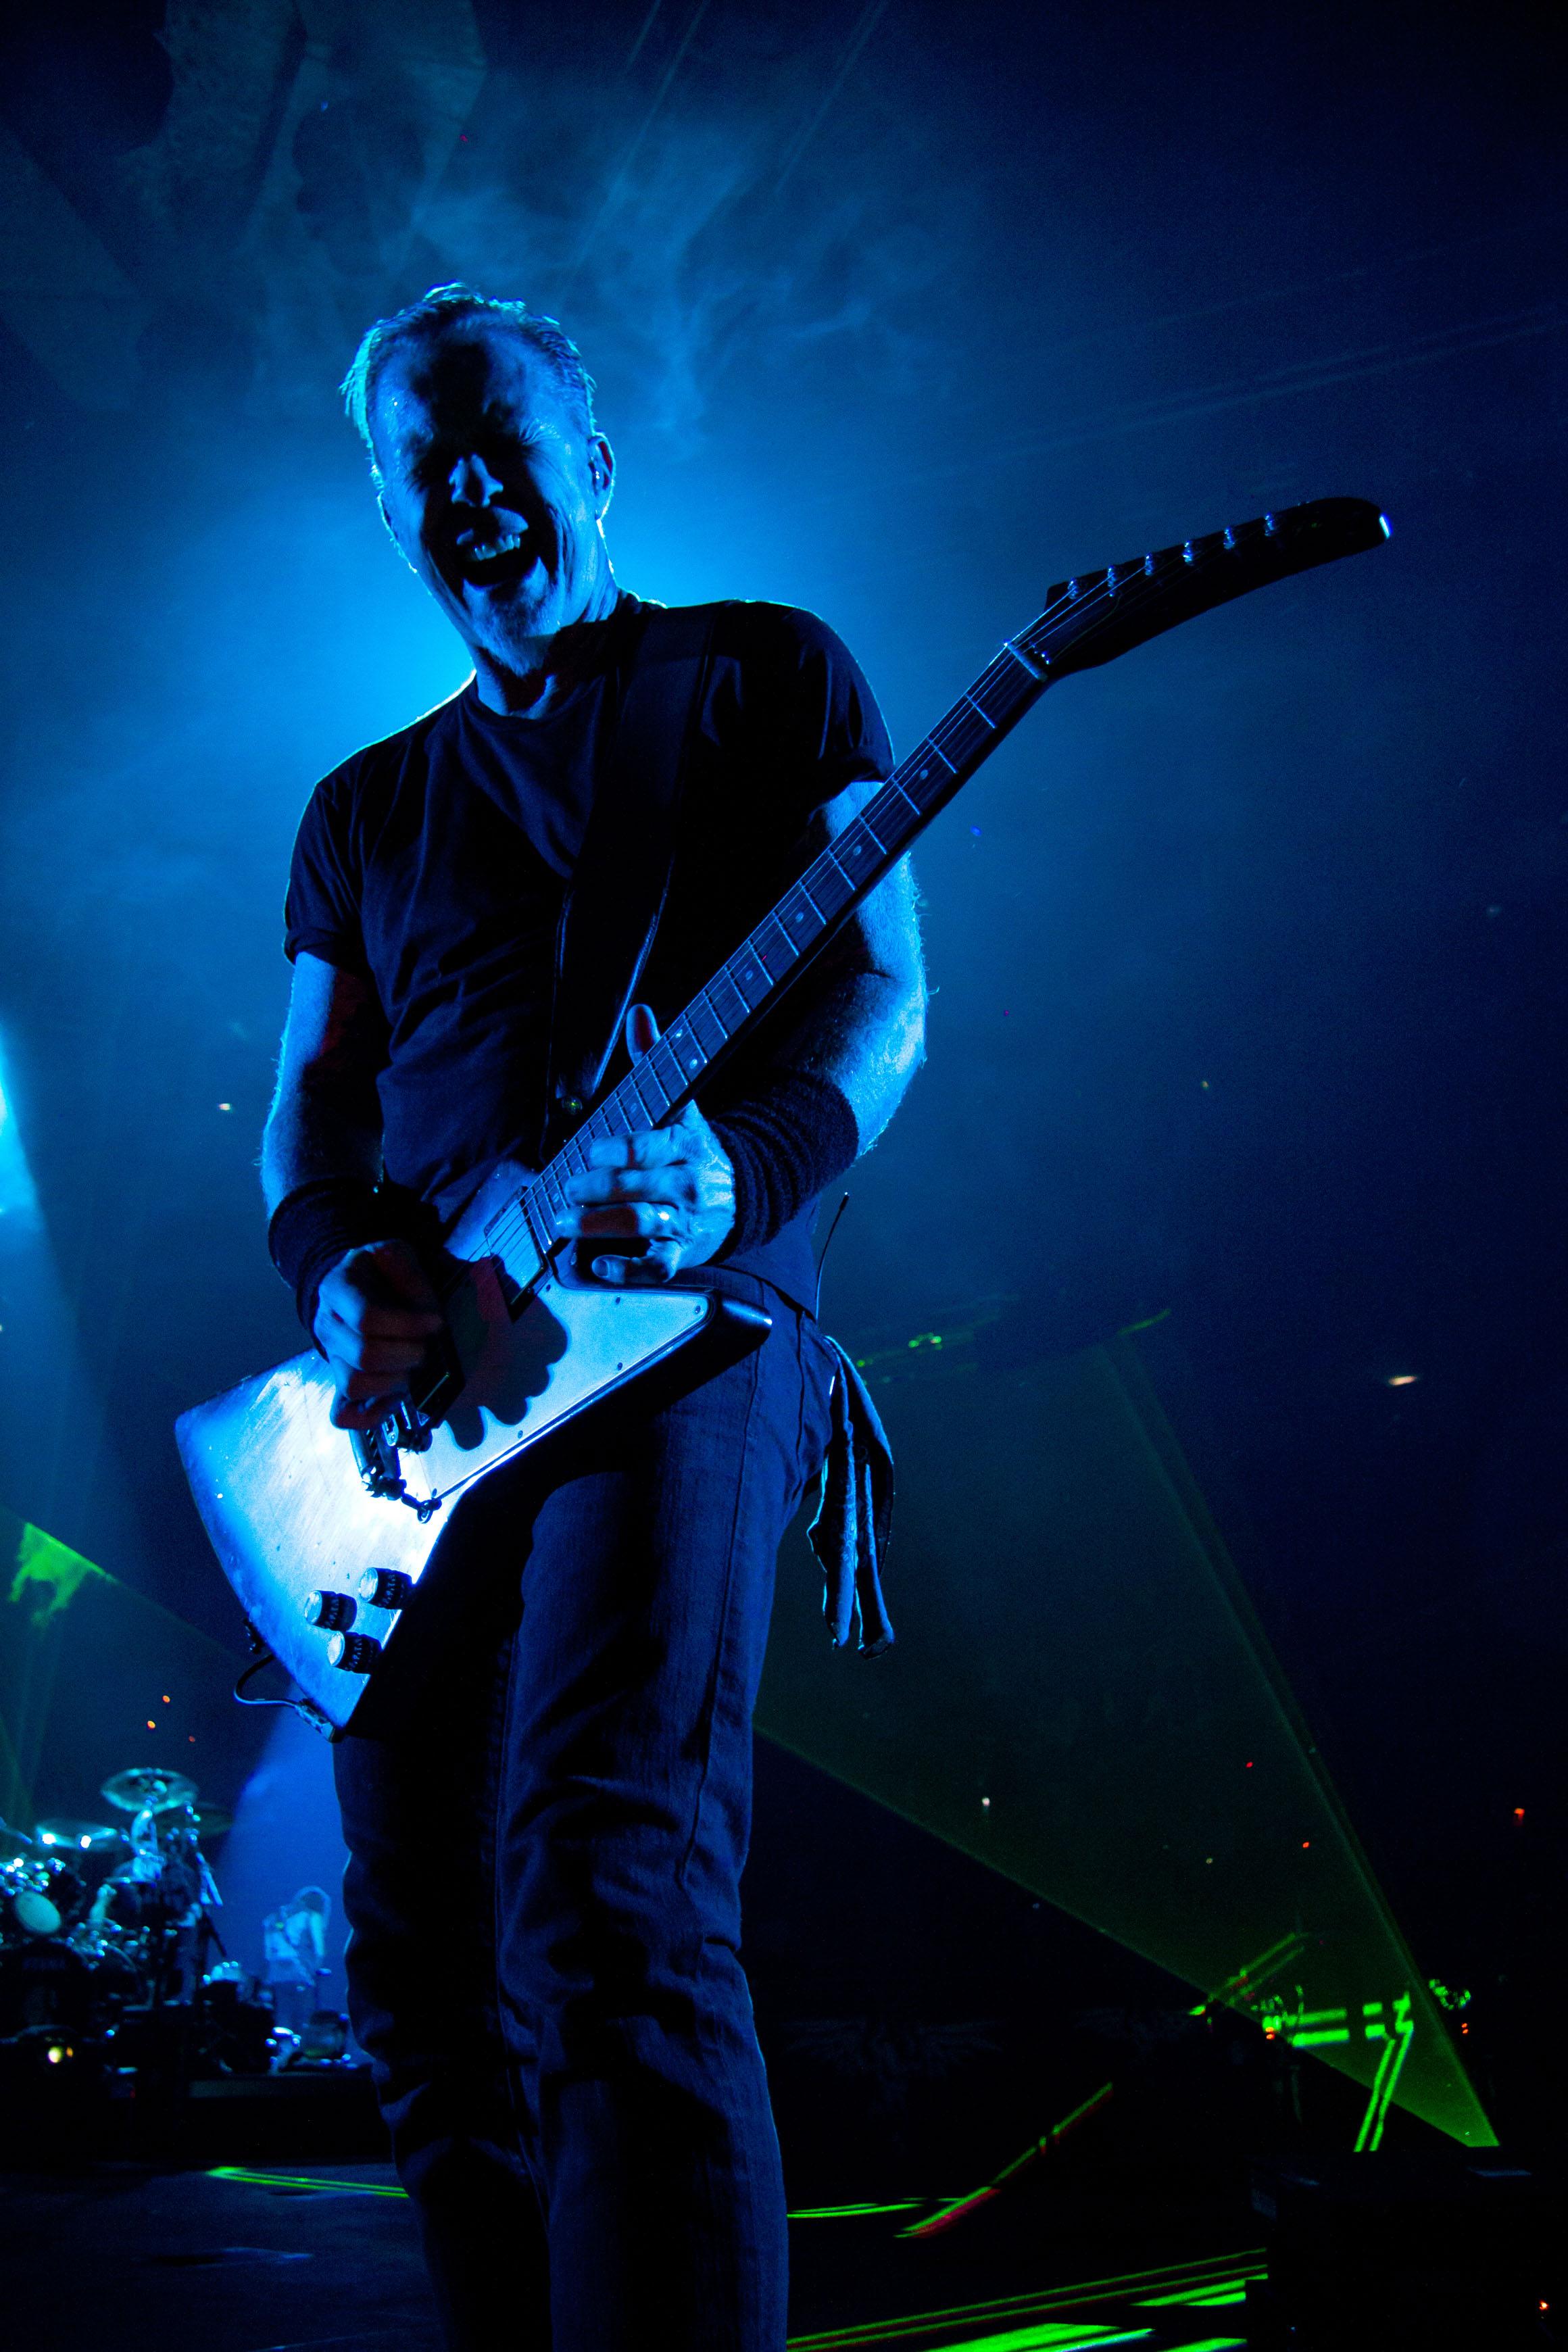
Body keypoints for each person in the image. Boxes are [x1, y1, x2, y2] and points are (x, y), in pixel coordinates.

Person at [260, 283, 925, 2351]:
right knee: (422, 1966)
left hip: (680, 1335)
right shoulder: (363, 807)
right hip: (424, 1405)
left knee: (606, 1885)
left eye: (503, 443)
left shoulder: (760, 672)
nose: (469, 490)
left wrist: (757, 1161)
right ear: (389, 513)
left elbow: (886, 988)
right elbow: (309, 1108)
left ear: (599, 465)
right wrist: (339, 1263)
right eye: (424, 463)